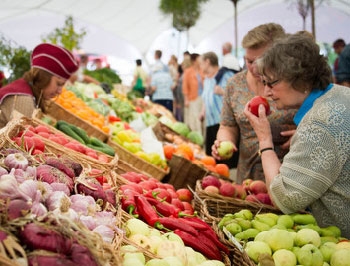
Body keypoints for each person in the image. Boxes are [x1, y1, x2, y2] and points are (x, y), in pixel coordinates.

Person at [244, 33, 350, 238]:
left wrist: (264, 139)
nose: (266, 92)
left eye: (271, 83)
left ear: (300, 79)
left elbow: (284, 199)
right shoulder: (340, 94)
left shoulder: (318, 124)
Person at [212, 23, 297, 184]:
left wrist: (304, 135)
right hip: (247, 179)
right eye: (248, 61)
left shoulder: (294, 84)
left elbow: (318, 118)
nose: (253, 68)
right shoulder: (234, 84)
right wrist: (224, 141)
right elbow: (227, 125)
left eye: (260, 61)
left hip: (288, 178)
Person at [0, 43, 79, 129]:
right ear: (44, 77)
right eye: (59, 84)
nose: (59, 91)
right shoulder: (23, 100)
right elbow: (22, 138)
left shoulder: (25, 88)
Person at [199, 52, 235, 156]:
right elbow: (206, 98)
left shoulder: (226, 75)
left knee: (223, 153)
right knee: (212, 154)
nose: (200, 66)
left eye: (201, 63)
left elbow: (237, 95)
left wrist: (222, 92)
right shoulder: (206, 79)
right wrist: (202, 112)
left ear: (207, 62)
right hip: (210, 122)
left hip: (223, 123)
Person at [182, 53, 204, 136]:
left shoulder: (202, 70)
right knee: (195, 119)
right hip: (193, 98)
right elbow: (185, 87)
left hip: (202, 98)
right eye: (199, 58)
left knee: (202, 119)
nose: (201, 60)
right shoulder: (188, 71)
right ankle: (197, 137)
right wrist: (186, 99)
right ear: (194, 61)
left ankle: (203, 138)